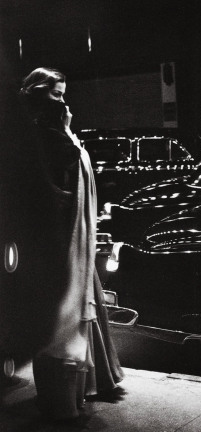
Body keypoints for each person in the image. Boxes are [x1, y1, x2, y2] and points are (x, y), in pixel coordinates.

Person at [18, 68, 124, 421]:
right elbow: (61, 168)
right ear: (37, 93)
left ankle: (90, 382)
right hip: (55, 238)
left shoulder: (49, 130)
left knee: (80, 303)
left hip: (69, 233)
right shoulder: (40, 133)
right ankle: (63, 396)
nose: (63, 101)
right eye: (56, 94)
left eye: (64, 93)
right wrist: (65, 130)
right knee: (63, 312)